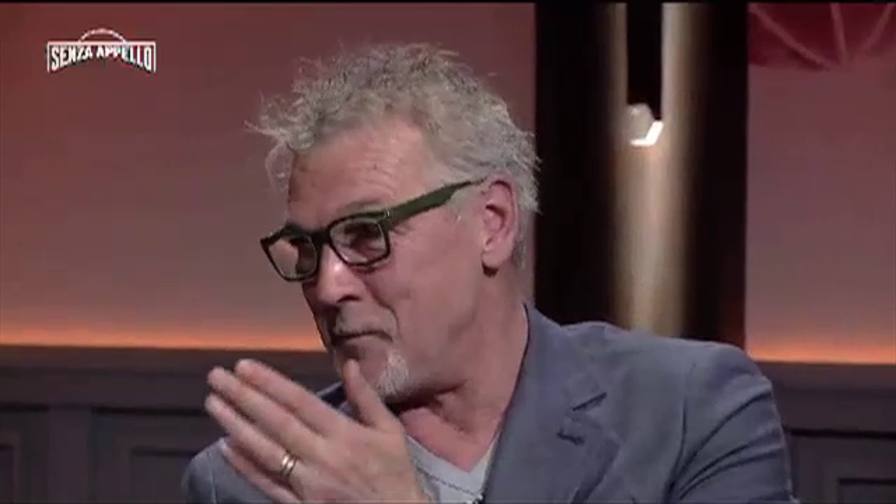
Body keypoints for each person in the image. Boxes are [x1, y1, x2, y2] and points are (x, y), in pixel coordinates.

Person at [182, 43, 796, 503]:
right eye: (307, 248)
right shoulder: (245, 484)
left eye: (366, 234)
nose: (327, 284)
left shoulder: (691, 413)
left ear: (493, 223)